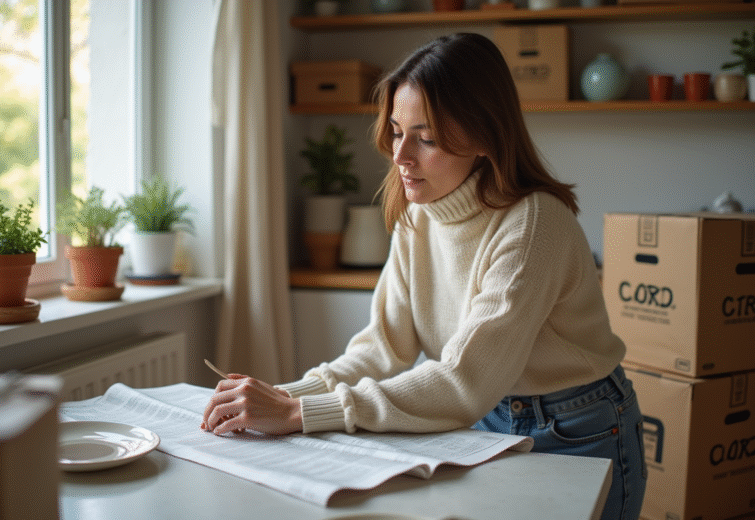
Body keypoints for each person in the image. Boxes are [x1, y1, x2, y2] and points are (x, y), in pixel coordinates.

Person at [202, 32, 646, 520]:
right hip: (485, 417)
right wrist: (286, 395)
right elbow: (381, 349)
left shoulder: (534, 223)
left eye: (426, 138)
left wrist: (297, 414)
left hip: (576, 427)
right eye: (397, 131)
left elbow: (464, 379)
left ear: (484, 136)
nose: (400, 155)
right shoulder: (419, 216)